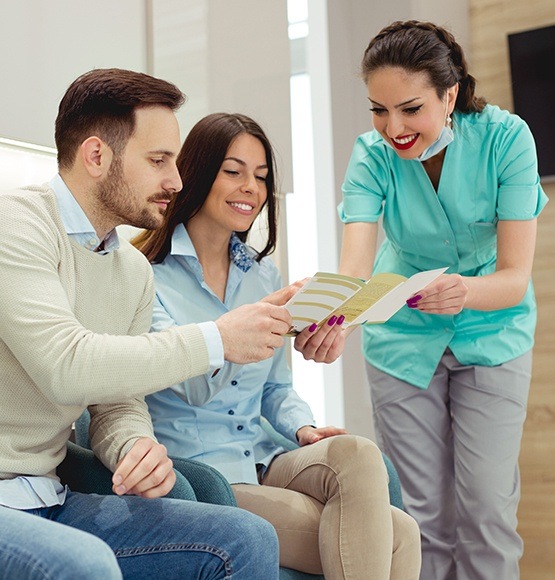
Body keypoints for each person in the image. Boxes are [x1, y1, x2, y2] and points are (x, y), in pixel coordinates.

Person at [0, 68, 290, 579]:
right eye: (158, 160)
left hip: (50, 495)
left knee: (245, 537)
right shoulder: (17, 226)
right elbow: (67, 365)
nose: (176, 181)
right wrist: (217, 339)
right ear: (96, 156)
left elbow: (115, 401)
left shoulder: (130, 269)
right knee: (85, 565)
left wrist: (132, 445)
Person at [295, 20, 549, 580]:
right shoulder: (371, 155)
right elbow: (355, 271)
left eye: (410, 109)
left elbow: (512, 276)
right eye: (379, 111)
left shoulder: (508, 140)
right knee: (420, 518)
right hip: (402, 339)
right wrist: (335, 321)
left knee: (486, 511)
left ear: (450, 93)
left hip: (493, 331)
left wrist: (464, 292)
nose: (394, 128)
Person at [133, 112, 422, 580]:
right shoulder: (145, 274)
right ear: (198, 172)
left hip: (265, 455)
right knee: (400, 536)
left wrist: (302, 427)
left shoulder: (262, 274)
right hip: (204, 474)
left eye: (262, 176)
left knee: (359, 453)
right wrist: (248, 323)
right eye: (234, 171)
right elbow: (190, 387)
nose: (251, 186)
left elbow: (276, 389)